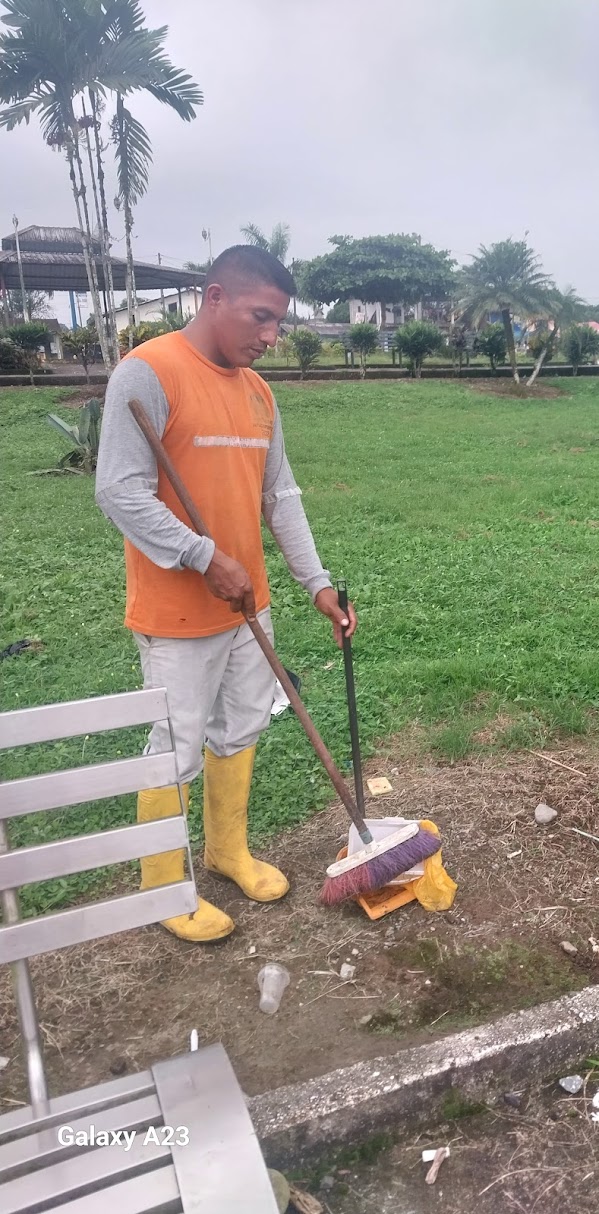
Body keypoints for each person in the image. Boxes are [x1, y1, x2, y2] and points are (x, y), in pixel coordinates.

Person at [96, 245, 356, 942]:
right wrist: (202, 554)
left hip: (249, 605)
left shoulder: (258, 393)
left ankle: (226, 850)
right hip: (177, 611)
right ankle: (162, 886)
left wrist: (317, 583)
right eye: (260, 317)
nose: (270, 336)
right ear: (215, 298)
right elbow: (117, 491)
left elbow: (280, 495)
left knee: (241, 725)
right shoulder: (148, 372)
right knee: (176, 746)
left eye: (279, 323)